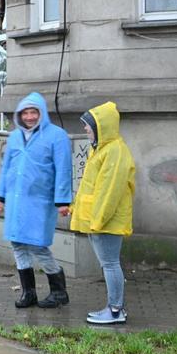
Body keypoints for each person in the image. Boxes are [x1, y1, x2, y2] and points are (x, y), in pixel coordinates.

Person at [0, 92, 73, 308]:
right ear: (20, 115)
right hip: (15, 200)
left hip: (40, 201)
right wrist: (0, 196)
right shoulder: (14, 137)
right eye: (25, 113)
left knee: (38, 245)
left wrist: (63, 201)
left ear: (42, 113)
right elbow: (7, 168)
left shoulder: (57, 136)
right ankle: (28, 293)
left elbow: (63, 170)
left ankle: (59, 292)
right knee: (17, 243)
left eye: (33, 112)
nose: (29, 117)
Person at [71, 101, 136, 325]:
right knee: (109, 263)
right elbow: (92, 187)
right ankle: (114, 308)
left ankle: (115, 311)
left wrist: (97, 221)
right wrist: (77, 210)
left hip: (105, 222)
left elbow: (110, 191)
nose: (85, 129)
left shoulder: (115, 151)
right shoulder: (104, 149)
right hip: (99, 221)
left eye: (88, 125)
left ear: (101, 126)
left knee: (110, 264)